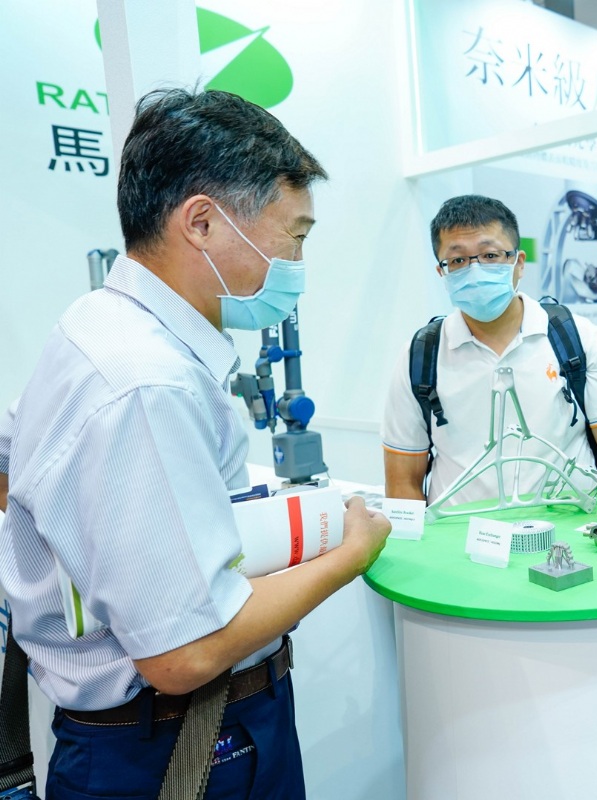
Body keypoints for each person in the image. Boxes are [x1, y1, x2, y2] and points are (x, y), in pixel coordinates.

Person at [0, 88, 393, 798]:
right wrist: (351, 556)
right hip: (182, 749)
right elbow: (184, 654)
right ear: (203, 222)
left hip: (169, 735)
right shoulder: (147, 383)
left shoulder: (98, 328)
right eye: (295, 235)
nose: (298, 261)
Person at [382, 195, 597, 505]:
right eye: (458, 260)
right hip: (458, 531)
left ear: (518, 263)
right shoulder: (421, 356)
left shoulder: (578, 338)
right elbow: (403, 480)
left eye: (490, 255)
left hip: (569, 526)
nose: (475, 270)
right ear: (442, 272)